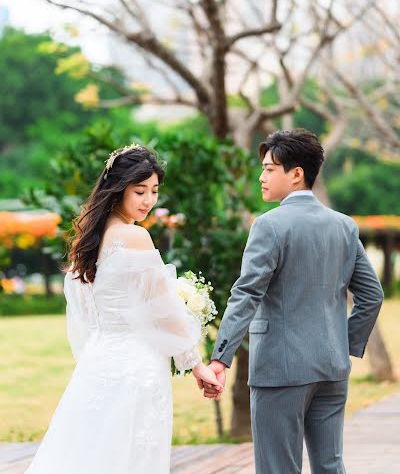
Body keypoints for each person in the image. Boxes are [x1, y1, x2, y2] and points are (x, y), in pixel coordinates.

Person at [25, 143, 222, 474]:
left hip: (98, 362)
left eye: (154, 191)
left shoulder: (87, 241)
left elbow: (86, 311)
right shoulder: (135, 237)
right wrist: (196, 365)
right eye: (139, 190)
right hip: (137, 366)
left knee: (89, 452)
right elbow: (164, 311)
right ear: (118, 189)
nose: (148, 200)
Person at [202, 129, 384, 473]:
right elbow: (371, 295)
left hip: (279, 371)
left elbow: (246, 294)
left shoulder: (269, 226)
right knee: (330, 466)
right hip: (331, 368)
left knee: (277, 468)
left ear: (296, 173)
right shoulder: (343, 226)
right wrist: (344, 343)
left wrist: (220, 358)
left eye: (270, 168)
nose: (262, 176)